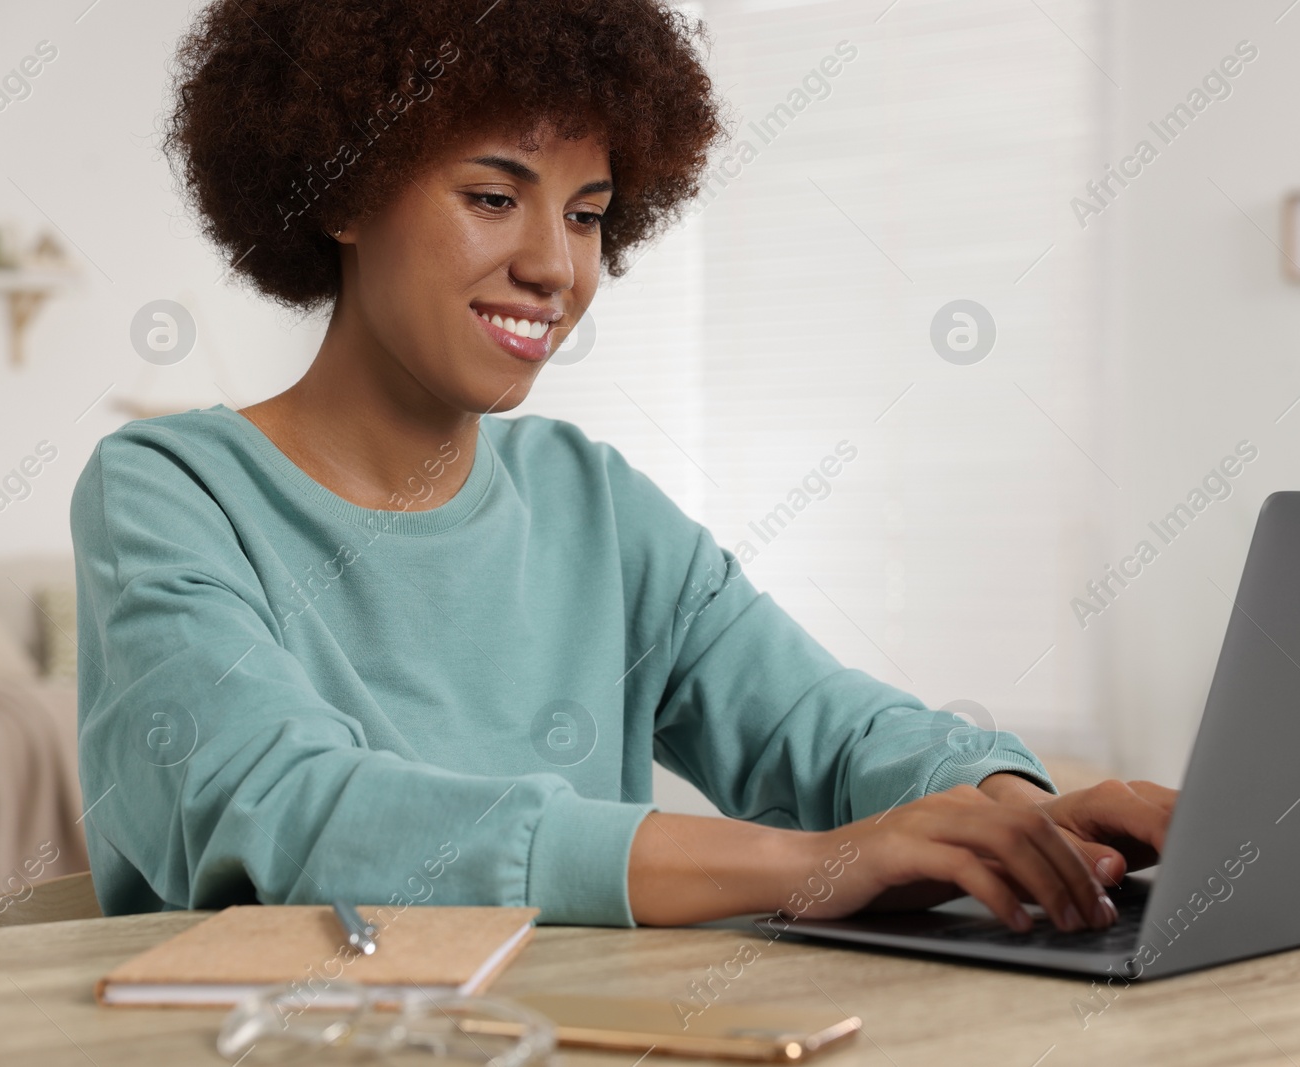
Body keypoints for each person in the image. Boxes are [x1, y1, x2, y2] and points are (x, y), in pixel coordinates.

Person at [71, 0, 1176, 934]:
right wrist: (812, 865)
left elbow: (826, 726)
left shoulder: (586, 500)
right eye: (493, 197)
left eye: (588, 214)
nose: (554, 265)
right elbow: (289, 811)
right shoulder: (170, 490)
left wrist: (1025, 810)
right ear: (345, 190)